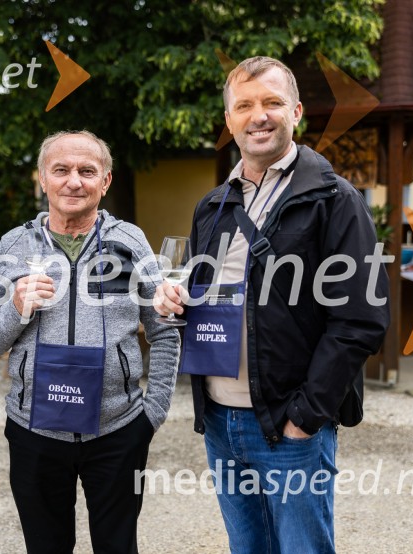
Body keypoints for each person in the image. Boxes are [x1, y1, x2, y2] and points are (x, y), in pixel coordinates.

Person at [155, 56, 390, 553]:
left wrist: (304, 417)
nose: (258, 115)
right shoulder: (213, 206)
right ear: (229, 121)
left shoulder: (335, 200)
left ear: (296, 111)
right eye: (244, 105)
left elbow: (360, 321)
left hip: (289, 425)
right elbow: (208, 302)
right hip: (220, 421)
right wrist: (175, 302)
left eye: (272, 102)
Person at [0, 130, 180, 554]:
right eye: (60, 170)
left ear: (105, 181)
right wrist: (15, 308)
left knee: (118, 547)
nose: (74, 181)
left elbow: (164, 329)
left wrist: (152, 413)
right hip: (34, 432)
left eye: (87, 171)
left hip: (118, 432)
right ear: (42, 180)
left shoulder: (130, 242)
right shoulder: (14, 245)